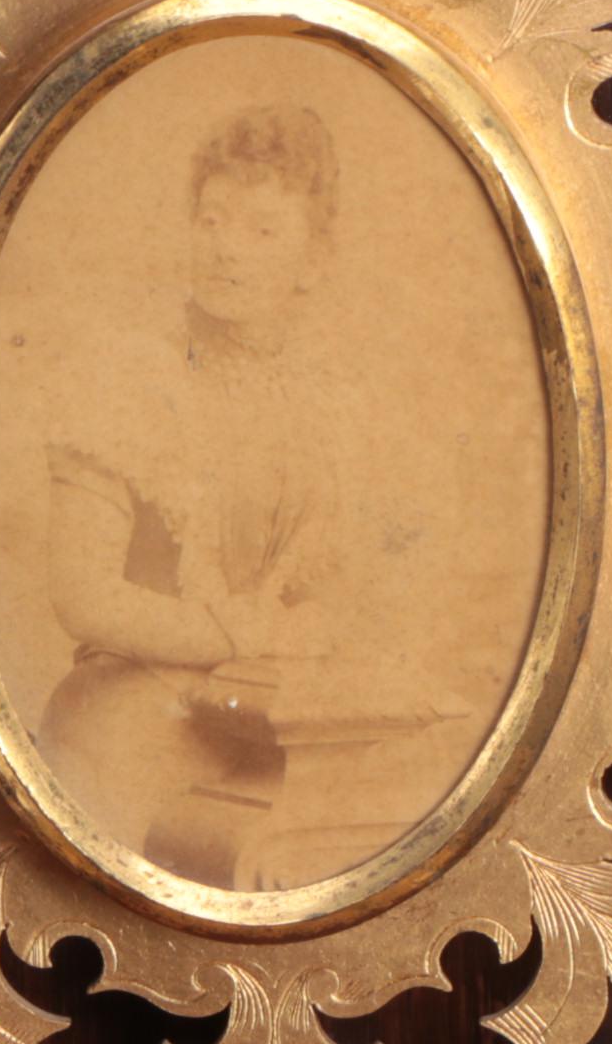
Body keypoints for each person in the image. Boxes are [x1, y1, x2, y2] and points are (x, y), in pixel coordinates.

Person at [33, 97, 485, 892]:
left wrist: (332, 628)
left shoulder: (330, 404)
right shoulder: (126, 377)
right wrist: (234, 629)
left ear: (314, 258)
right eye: (211, 221)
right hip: (130, 727)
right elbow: (82, 597)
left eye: (263, 230)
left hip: (272, 733)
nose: (226, 251)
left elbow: (348, 588)